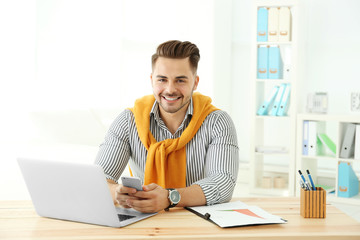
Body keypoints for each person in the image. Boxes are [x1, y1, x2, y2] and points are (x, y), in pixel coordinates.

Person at [95, 40, 239, 213]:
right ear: (151, 80)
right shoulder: (128, 121)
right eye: (162, 80)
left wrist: (170, 197)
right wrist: (116, 192)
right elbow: (99, 179)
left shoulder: (217, 122)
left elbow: (223, 183)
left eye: (180, 80)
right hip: (143, 220)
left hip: (196, 220)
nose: (170, 89)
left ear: (195, 82)